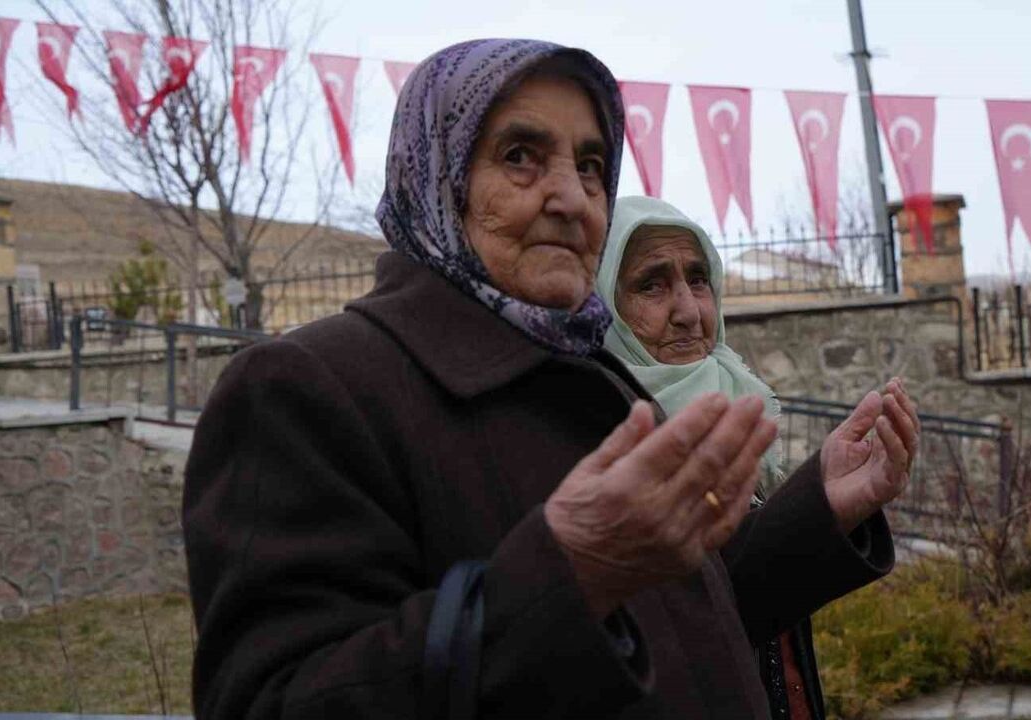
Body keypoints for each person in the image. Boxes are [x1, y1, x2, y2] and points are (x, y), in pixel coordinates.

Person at [182, 38, 920, 720]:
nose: (571, 198)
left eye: (592, 165)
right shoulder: (307, 388)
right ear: (438, 174)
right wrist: (565, 573)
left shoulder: (590, 372)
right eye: (521, 156)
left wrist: (818, 507)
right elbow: (275, 700)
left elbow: (692, 622)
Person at [595, 195, 914, 720]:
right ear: (603, 302)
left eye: (698, 280)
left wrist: (823, 498)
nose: (689, 312)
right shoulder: (603, 444)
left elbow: (747, 598)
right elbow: (685, 617)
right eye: (651, 285)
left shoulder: (737, 404)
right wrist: (818, 509)